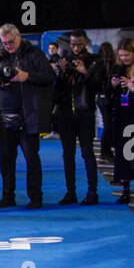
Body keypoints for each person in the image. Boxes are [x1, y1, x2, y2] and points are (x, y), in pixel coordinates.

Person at [0, 22, 54, 208]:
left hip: (27, 113)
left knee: (31, 158)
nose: (8, 46)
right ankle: (8, 195)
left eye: (10, 42)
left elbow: (49, 77)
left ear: (19, 37)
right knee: (6, 160)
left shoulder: (34, 54)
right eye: (4, 43)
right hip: (5, 113)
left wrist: (28, 76)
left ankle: (35, 196)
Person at [52, 29, 104, 205]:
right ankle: (70, 191)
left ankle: (92, 192)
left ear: (85, 43)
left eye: (79, 44)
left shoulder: (95, 61)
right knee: (68, 154)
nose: (75, 47)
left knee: (87, 152)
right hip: (65, 113)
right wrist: (62, 73)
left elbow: (99, 86)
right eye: (73, 44)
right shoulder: (64, 61)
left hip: (85, 113)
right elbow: (56, 92)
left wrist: (85, 73)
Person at [104, 39, 134, 203]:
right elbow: (108, 96)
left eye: (127, 55)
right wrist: (113, 85)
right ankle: (125, 189)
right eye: (121, 55)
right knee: (122, 156)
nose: (124, 58)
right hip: (121, 116)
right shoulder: (118, 69)